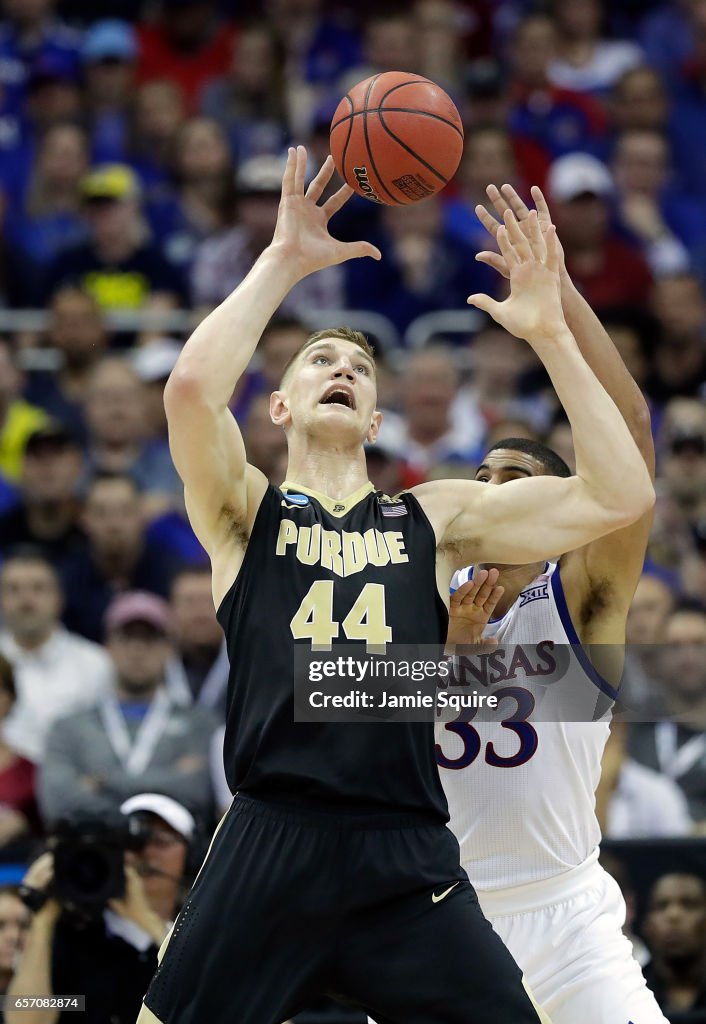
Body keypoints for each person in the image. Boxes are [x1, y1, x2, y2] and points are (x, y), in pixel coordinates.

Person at [134, 145, 653, 1024]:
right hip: (271, 831)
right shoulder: (248, 514)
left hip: (405, 850)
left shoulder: (435, 518)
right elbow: (189, 391)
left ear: (378, 420)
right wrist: (282, 260)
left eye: (358, 367)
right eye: (318, 361)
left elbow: (622, 491)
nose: (340, 368)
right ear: (280, 406)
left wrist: (552, 334)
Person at [436, 182, 667, 1023]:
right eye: (482, 480)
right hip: (439, 918)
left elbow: (632, 442)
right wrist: (454, 650)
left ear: (560, 510)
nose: (492, 496)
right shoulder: (399, 604)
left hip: (567, 915)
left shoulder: (579, 605)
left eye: (516, 483)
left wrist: (556, 295)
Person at [6, 792, 195, 1024]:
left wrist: (146, 920)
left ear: (191, 856)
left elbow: (201, 1003)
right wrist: (43, 919)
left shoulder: (197, 929)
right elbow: (24, 1018)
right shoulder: (72, 928)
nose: (145, 854)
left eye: (161, 841)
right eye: (131, 843)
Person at [39, 591, 217, 823]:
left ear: (169, 649)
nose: (137, 651)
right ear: (107, 647)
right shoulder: (68, 728)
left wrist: (104, 782)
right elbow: (57, 803)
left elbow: (199, 794)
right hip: (94, 854)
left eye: (149, 639)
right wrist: (169, 780)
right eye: (126, 638)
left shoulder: (202, 725)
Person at [0, 549, 112, 764]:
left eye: (38, 588)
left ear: (59, 598)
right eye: (13, 590)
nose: (26, 600)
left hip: (73, 785)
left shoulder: (94, 664)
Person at [641, 874, 706, 1021]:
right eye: (661, 905)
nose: (674, 915)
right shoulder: (627, 993)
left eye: (689, 905)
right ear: (647, 924)